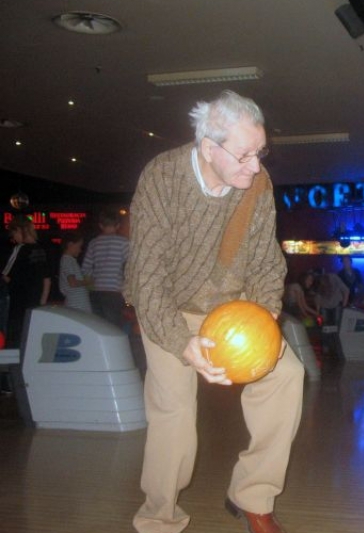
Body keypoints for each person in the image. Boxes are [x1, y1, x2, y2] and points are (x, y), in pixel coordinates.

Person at [124, 90, 305, 533]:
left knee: (286, 375)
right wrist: (181, 343)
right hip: (168, 305)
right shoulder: (163, 177)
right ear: (208, 147)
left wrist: (259, 325)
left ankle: (253, 496)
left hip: (230, 309)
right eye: (244, 155)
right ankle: (158, 519)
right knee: (174, 410)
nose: (255, 166)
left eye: (260, 153)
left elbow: (266, 264)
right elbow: (147, 275)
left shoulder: (257, 187)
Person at [3, 215, 51, 348]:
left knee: (16, 338)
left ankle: (13, 367)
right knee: (31, 338)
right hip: (35, 301)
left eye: (13, 233)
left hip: (18, 302)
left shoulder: (20, 249)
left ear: (19, 230)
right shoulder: (40, 249)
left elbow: (6, 275)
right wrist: (42, 301)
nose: (13, 238)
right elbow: (47, 279)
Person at [81, 209, 129, 328]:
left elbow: (85, 268)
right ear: (118, 225)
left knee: (100, 327)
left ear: (100, 225)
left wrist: (95, 279)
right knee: (114, 327)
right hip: (114, 290)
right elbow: (130, 266)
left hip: (96, 291)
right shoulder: (124, 242)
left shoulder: (94, 243)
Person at [315, 271, 349, 355]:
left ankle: (338, 348)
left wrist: (344, 306)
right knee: (325, 327)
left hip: (336, 304)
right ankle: (326, 348)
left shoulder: (334, 279)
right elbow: (317, 299)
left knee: (337, 326)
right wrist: (318, 312)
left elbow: (346, 290)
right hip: (325, 306)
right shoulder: (318, 285)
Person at [59, 231, 92, 312]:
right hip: (77, 305)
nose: (80, 250)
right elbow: (72, 283)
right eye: (79, 246)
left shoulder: (70, 260)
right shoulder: (67, 260)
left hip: (78, 304)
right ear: (70, 244)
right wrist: (87, 282)